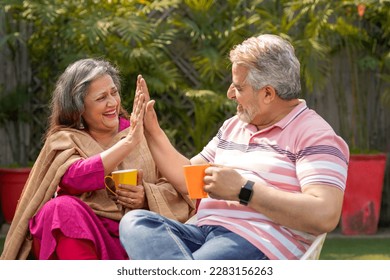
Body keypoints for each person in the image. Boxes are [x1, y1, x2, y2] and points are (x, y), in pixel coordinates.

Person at [119, 34, 350, 260]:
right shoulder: (233, 126)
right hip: (203, 232)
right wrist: (152, 130)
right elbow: (188, 179)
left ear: (268, 93)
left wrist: (243, 190)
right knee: (136, 223)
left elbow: (325, 214)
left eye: (239, 87)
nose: (230, 93)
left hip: (257, 240)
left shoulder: (315, 135)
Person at [0, 58, 195, 260]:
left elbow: (176, 186)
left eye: (114, 92)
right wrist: (128, 143)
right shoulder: (65, 139)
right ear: (79, 107)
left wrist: (146, 196)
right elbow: (75, 179)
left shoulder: (139, 133)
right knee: (59, 208)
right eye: (101, 98)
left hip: (133, 239)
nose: (112, 103)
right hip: (84, 235)